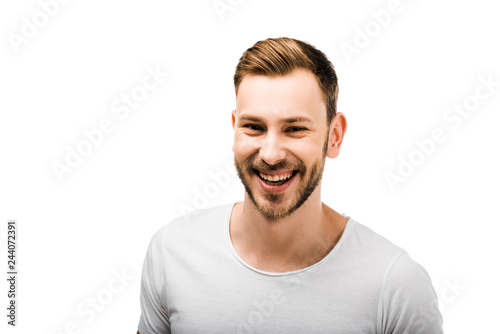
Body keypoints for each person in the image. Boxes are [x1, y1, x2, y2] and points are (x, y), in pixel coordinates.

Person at [136, 37, 443, 333]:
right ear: (234, 130)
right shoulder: (171, 252)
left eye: (294, 129)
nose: (270, 154)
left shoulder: (395, 285)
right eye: (253, 127)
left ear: (334, 136)